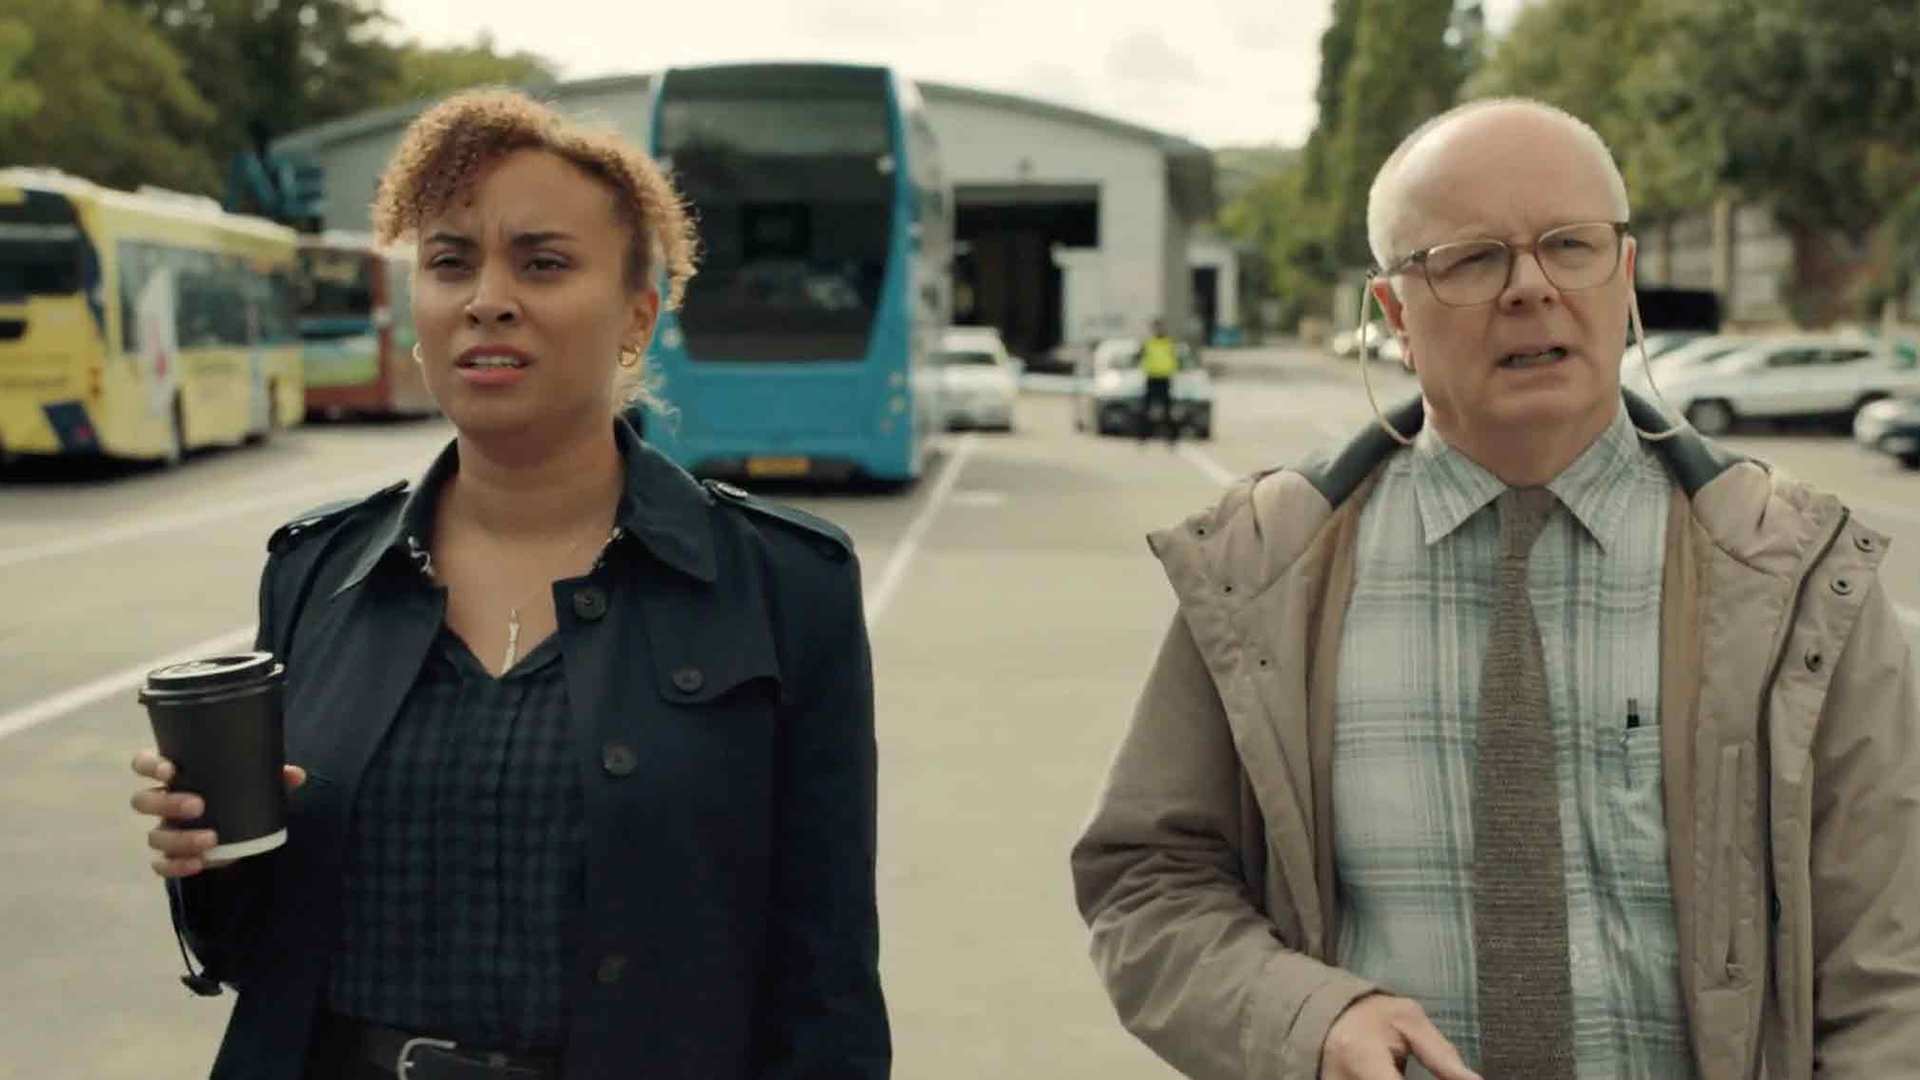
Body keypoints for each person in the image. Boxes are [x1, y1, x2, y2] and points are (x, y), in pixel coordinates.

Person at [1071, 98, 1919, 1080]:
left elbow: (1890, 961)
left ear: (1625, 275)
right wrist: (1308, 1021)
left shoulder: (1795, 577)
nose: (1531, 289)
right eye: (1471, 260)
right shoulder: (1265, 570)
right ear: (1394, 314)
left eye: (1570, 246)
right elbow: (1149, 882)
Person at [128, 89, 889, 1080]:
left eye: (543, 263)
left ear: (638, 315)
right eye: (451, 263)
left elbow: (827, 985)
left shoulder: (786, 586)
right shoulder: (317, 573)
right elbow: (255, 956)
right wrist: (206, 860)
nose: (487, 297)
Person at [1138, 318, 1181, 446]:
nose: (1158, 330)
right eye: (1156, 328)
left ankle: (1171, 438)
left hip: (1165, 379)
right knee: (1146, 409)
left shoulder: (1169, 343)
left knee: (1167, 410)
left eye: (1160, 327)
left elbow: (1176, 359)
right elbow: (1139, 357)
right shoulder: (1148, 343)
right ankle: (1143, 436)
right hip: (1152, 378)